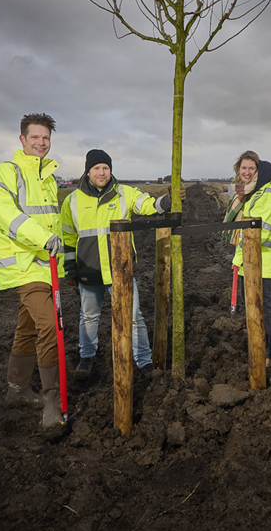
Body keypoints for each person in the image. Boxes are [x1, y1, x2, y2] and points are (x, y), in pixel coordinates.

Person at [60, 149, 183, 379]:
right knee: (88, 317)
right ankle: (86, 358)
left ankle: (144, 362)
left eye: (105, 168)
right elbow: (67, 237)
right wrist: (69, 269)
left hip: (122, 270)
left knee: (134, 317)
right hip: (89, 271)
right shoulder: (72, 201)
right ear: (88, 172)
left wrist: (168, 201)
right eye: (97, 168)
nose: (102, 172)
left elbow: (149, 205)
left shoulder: (123, 193)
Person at [0, 112, 65, 427]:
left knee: (28, 327)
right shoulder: (5, 173)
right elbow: (3, 213)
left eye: (46, 138)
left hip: (45, 267)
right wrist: (43, 239)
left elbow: (54, 225)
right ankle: (50, 403)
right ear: (22, 140)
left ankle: (16, 389)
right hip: (23, 265)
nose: (41, 143)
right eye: (35, 137)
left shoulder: (48, 178)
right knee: (50, 328)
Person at [223, 151, 271, 367]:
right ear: (238, 170)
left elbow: (257, 232)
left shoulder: (265, 195)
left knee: (263, 308)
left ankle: (266, 353)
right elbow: (243, 234)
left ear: (258, 171)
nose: (247, 172)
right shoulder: (247, 195)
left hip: (265, 261)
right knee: (263, 307)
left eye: (252, 168)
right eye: (243, 168)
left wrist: (243, 252)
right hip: (249, 260)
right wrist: (238, 259)